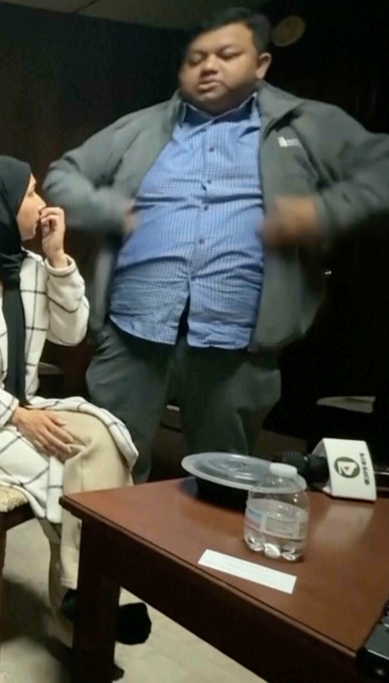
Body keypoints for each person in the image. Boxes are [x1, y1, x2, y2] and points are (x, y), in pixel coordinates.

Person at [44, 8, 389, 481]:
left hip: (237, 349)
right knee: (106, 479)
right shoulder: (141, 127)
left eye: (227, 55)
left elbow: (382, 170)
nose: (209, 67)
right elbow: (62, 176)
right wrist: (111, 209)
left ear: (262, 64)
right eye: (197, 58)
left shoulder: (302, 126)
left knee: (228, 489)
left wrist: (321, 213)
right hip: (132, 337)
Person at [0, 156, 149, 645]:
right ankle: (82, 601)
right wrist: (15, 414)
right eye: (29, 194)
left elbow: (72, 331)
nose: (43, 204)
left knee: (105, 440)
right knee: (62, 468)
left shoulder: (36, 269)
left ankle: (82, 592)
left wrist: (60, 259)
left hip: (27, 403)